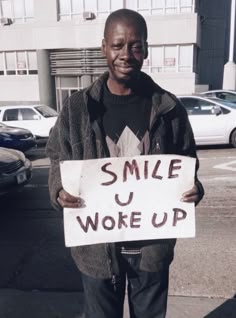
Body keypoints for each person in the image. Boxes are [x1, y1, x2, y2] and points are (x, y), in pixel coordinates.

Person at [46, 8, 204, 318]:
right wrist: (58, 190)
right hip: (95, 251)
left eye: (135, 45)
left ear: (145, 48)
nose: (126, 54)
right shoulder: (78, 108)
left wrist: (193, 188)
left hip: (152, 250)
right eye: (118, 45)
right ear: (104, 46)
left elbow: (188, 163)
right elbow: (56, 158)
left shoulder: (169, 108)